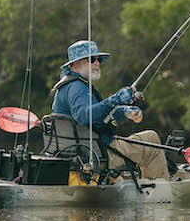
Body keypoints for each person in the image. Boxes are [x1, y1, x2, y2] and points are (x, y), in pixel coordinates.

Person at [51, 40, 169, 179]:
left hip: (83, 153)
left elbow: (99, 116)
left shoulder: (67, 87)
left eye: (99, 59)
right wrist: (115, 99)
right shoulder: (77, 88)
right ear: (76, 63)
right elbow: (84, 116)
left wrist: (124, 111)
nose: (97, 63)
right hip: (98, 154)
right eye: (92, 59)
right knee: (151, 138)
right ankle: (158, 191)